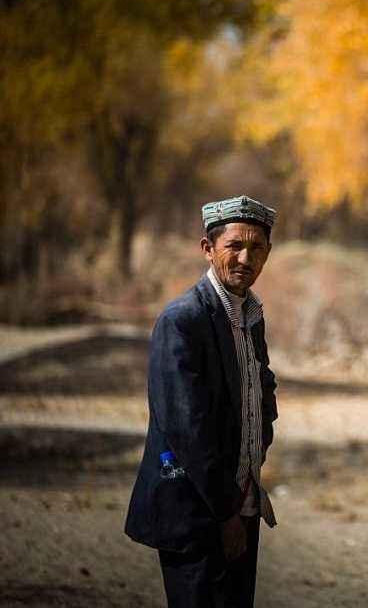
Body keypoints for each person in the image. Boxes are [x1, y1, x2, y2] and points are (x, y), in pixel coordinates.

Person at [125, 195, 279, 608]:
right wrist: (227, 514)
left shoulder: (251, 317)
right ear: (208, 249)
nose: (246, 258)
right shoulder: (183, 320)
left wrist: (255, 460)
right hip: (195, 512)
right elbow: (187, 428)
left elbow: (260, 394)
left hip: (240, 506)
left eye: (257, 248)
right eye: (234, 246)